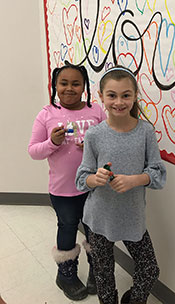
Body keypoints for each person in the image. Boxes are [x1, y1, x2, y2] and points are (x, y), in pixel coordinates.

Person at [75, 66, 166, 304]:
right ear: (101, 96)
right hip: (99, 218)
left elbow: (158, 173)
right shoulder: (94, 135)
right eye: (112, 95)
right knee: (104, 279)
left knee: (149, 270)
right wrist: (96, 178)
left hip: (133, 216)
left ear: (135, 95)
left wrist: (136, 179)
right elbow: (81, 178)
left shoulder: (145, 131)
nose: (119, 102)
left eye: (126, 95)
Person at [28, 64, 106, 301]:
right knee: (68, 227)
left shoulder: (97, 111)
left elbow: (109, 143)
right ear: (55, 86)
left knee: (96, 230)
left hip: (94, 187)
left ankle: (97, 271)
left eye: (76, 84)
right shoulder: (47, 114)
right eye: (64, 83)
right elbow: (33, 151)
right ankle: (66, 275)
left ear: (84, 87)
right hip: (63, 190)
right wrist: (52, 142)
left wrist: (94, 147)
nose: (69, 88)